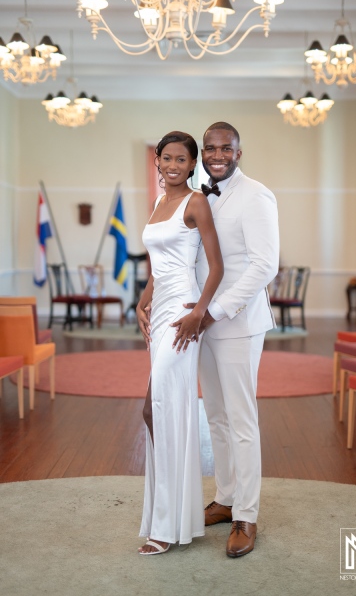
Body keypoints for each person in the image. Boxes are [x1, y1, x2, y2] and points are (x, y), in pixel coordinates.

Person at [172, 121, 279, 558]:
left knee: (241, 419)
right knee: (213, 415)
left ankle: (247, 515)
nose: (218, 155)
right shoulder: (198, 194)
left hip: (234, 323)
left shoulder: (256, 195)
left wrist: (211, 311)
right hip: (200, 322)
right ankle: (226, 495)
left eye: (226, 148)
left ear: (239, 151)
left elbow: (263, 265)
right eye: (211, 149)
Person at [136, 131, 224, 555]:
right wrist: (144, 295)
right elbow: (158, 265)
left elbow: (216, 266)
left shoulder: (196, 202)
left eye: (181, 159)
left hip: (183, 315)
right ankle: (170, 516)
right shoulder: (158, 203)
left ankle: (168, 527)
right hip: (160, 309)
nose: (172, 165)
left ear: (192, 165)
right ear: (158, 161)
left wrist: (198, 315)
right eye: (166, 157)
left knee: (161, 408)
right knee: (156, 412)